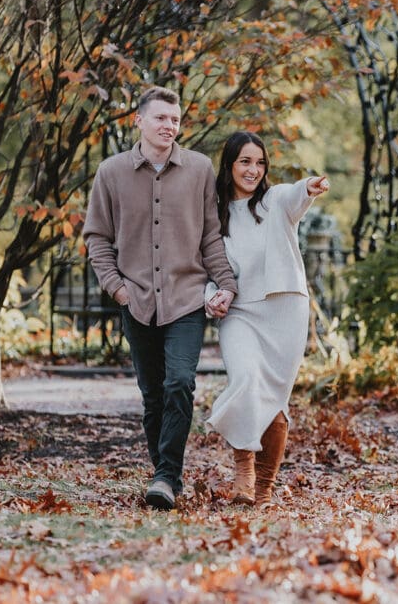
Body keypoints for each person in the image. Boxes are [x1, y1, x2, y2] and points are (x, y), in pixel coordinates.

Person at [83, 86, 238, 511]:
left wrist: (226, 284)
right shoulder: (111, 173)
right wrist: (117, 288)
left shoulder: (200, 169)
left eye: (175, 119)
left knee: (180, 383)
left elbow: (210, 235)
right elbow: (96, 237)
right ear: (139, 121)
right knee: (152, 395)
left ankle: (167, 476)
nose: (170, 126)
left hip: (186, 298)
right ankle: (164, 474)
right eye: (161, 118)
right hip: (137, 301)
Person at [204, 130, 329, 507]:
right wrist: (211, 297)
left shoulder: (275, 201)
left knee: (274, 401)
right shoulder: (212, 216)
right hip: (240, 314)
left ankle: (263, 489)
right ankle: (244, 471)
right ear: (228, 165)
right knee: (245, 380)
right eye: (245, 161)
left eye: (260, 163)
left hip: (284, 311)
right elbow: (204, 268)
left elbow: (294, 193)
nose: (253, 170)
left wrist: (309, 185)